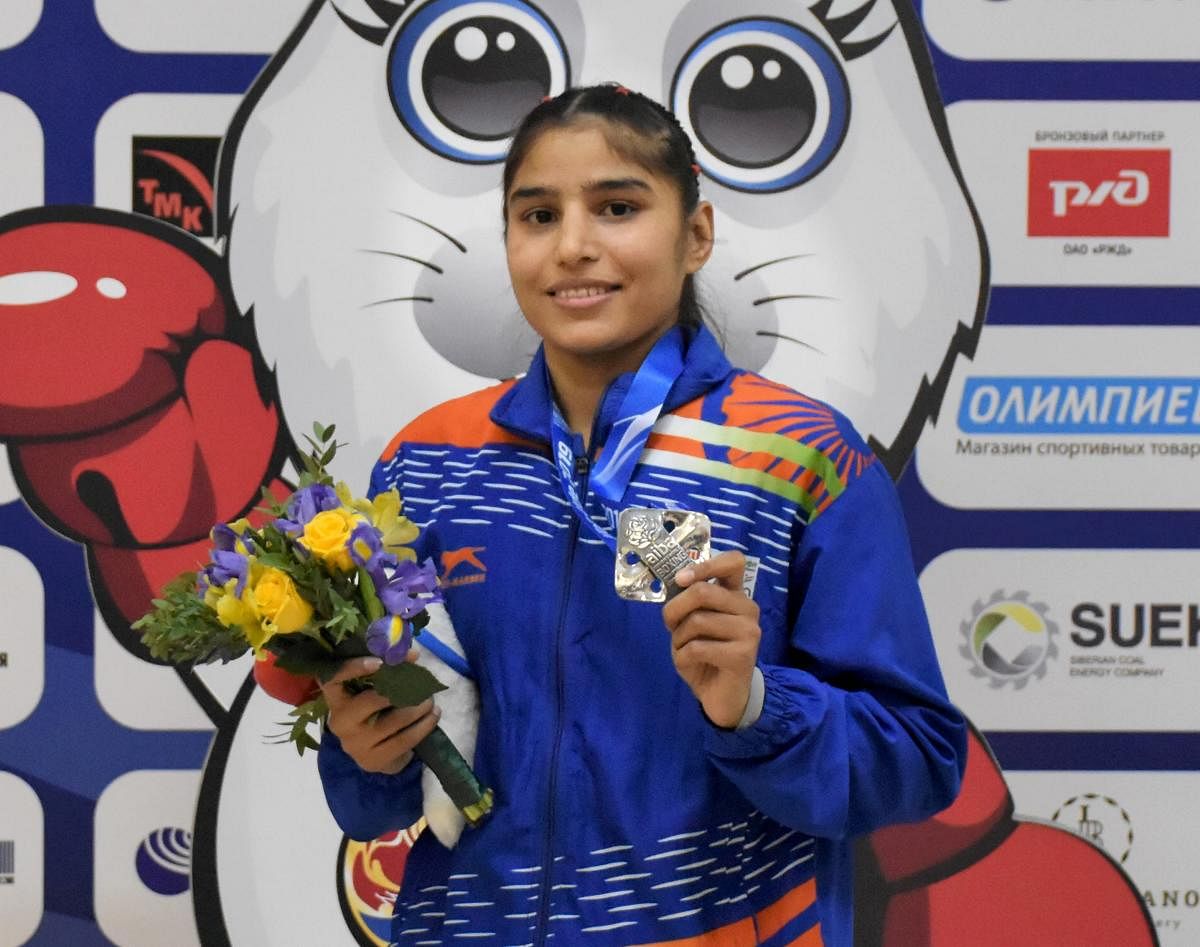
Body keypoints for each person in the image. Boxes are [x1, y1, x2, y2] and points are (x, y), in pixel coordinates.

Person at [316, 84, 966, 947]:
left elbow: (915, 759)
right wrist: (367, 750)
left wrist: (756, 704)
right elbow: (383, 794)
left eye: (618, 206)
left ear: (695, 235)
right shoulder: (430, 464)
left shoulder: (802, 456)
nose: (573, 247)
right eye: (537, 215)